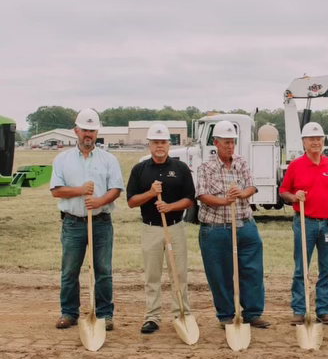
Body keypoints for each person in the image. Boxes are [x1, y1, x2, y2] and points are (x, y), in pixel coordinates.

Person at [50, 108, 124, 331]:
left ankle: (104, 314)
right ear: (76, 131)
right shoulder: (62, 159)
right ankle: (69, 313)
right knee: (70, 270)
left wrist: (100, 201)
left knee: (103, 270)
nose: (88, 134)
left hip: (101, 223)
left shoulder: (109, 159)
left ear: (97, 131)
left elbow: (116, 188)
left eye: (92, 130)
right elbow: (56, 191)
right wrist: (80, 190)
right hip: (72, 223)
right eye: (84, 130)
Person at [196, 120, 270, 329]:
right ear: (216, 143)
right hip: (215, 229)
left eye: (233, 142)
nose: (230, 146)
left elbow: (251, 187)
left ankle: (253, 313)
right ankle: (226, 315)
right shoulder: (206, 168)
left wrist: (240, 194)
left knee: (253, 270)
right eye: (227, 142)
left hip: (245, 225)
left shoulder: (242, 163)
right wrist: (225, 201)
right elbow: (202, 195)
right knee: (219, 273)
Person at [126, 124, 196, 334]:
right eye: (155, 142)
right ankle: (152, 317)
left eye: (163, 142)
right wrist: (150, 193)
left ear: (169, 144)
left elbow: (190, 199)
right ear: (149, 145)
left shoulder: (180, 168)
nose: (160, 146)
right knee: (152, 275)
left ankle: (181, 313)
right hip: (150, 229)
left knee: (178, 274)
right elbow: (131, 201)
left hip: (175, 228)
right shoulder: (140, 169)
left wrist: (170, 207)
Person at [279, 121, 328, 326]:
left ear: (323, 141)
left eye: (319, 139)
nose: (316, 142)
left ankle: (323, 310)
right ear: (304, 142)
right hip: (305, 222)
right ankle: (299, 309)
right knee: (301, 268)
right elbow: (283, 192)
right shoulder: (296, 165)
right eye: (311, 139)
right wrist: (294, 196)